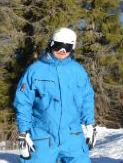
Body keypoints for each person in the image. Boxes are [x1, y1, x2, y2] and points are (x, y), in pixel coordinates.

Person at [13, 27, 96, 163]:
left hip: (72, 135)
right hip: (42, 135)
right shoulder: (35, 71)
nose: (62, 51)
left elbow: (87, 98)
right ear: (51, 44)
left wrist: (90, 124)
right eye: (58, 46)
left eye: (67, 48)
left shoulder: (77, 71)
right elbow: (23, 102)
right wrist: (23, 132)